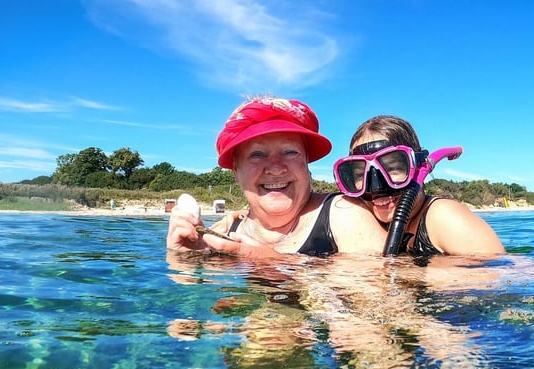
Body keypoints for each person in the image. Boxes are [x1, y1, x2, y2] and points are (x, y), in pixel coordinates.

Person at [167, 97, 385, 257]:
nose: (275, 168)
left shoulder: (343, 214)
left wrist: (263, 259)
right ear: (236, 173)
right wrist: (184, 260)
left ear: (306, 163)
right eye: (257, 155)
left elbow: (386, 297)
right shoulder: (222, 234)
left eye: (290, 152)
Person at [335, 115, 505, 256]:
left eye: (393, 168)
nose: (376, 185)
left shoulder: (444, 216)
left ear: (418, 166)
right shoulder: (364, 220)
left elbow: (501, 275)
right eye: (359, 173)